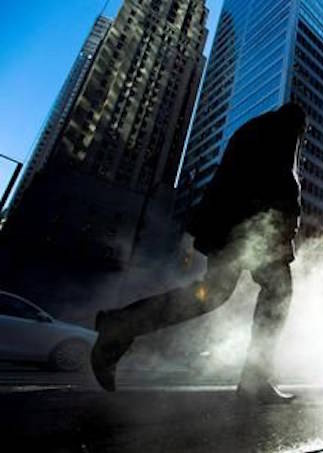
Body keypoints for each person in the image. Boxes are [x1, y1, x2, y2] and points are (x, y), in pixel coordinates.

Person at [91, 103, 306, 403]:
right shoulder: (284, 127)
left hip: (227, 227)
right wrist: (290, 221)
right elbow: (283, 181)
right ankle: (255, 380)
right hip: (253, 227)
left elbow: (226, 180)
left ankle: (121, 324)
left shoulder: (250, 131)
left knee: (212, 293)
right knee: (278, 292)